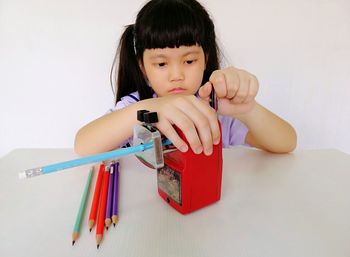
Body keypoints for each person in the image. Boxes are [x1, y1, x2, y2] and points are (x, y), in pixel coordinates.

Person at [74, 0, 297, 157]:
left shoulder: (213, 109)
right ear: (143, 68)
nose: (177, 75)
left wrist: (248, 110)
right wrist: (148, 109)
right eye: (161, 64)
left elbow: (287, 143)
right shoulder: (135, 105)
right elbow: (83, 146)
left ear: (205, 59)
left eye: (189, 61)